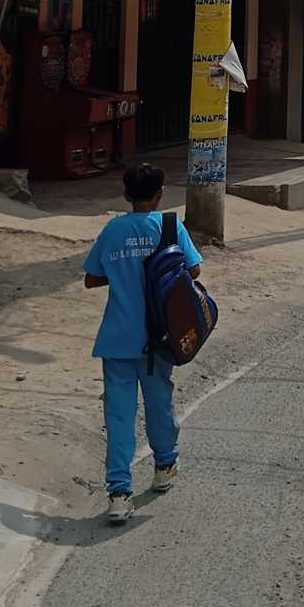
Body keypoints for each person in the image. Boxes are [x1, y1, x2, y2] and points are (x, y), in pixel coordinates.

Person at [84, 162, 203, 525]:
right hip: (158, 338)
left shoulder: (113, 229)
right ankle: (164, 466)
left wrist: (124, 271)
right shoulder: (170, 225)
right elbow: (194, 270)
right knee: (158, 405)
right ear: (160, 193)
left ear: (126, 194)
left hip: (117, 338)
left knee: (118, 415)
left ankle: (119, 494)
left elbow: (92, 277)